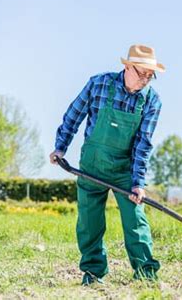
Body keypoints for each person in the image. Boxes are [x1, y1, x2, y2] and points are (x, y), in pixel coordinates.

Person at [49, 44, 164, 285]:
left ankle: (145, 273)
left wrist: (138, 183)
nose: (144, 79)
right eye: (140, 72)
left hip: (125, 170)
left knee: (135, 221)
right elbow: (74, 115)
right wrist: (61, 146)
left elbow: (144, 143)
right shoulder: (99, 84)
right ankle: (93, 273)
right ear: (126, 66)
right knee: (89, 222)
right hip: (92, 166)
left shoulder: (151, 100)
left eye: (149, 75)